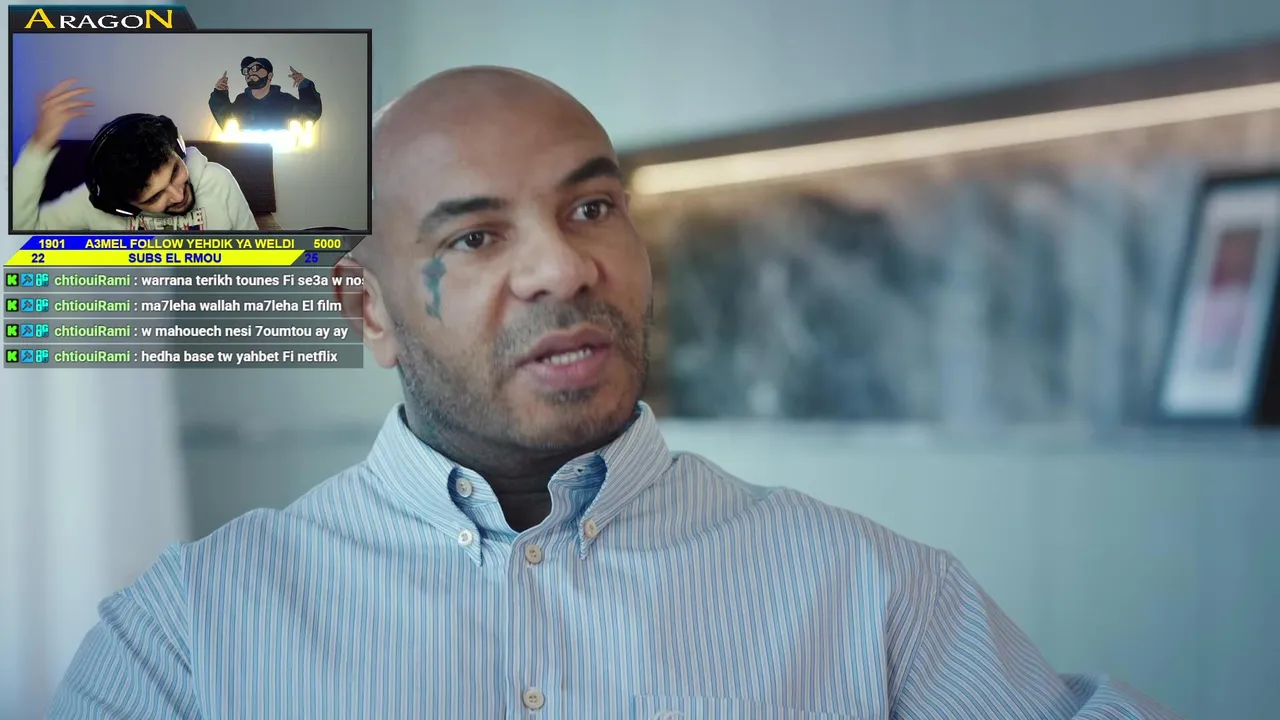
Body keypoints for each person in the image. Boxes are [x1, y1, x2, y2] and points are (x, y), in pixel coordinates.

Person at [48, 68, 1183, 719]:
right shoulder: (185, 640)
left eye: (591, 209)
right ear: (369, 311)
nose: (564, 267)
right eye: (477, 236)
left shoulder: (879, 602)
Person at [13, 79, 258, 232]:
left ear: (178, 148)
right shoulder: (96, 204)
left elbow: (255, 258)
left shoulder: (218, 180)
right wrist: (37, 148)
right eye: (154, 197)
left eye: (175, 171)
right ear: (122, 207)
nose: (178, 195)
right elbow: (20, 231)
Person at [209, 56, 322, 131]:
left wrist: (304, 85)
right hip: (246, 156)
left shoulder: (285, 100)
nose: (250, 73)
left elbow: (309, 113)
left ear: (270, 75)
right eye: (246, 71)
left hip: (282, 156)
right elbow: (224, 117)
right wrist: (220, 92)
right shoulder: (241, 101)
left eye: (255, 68)